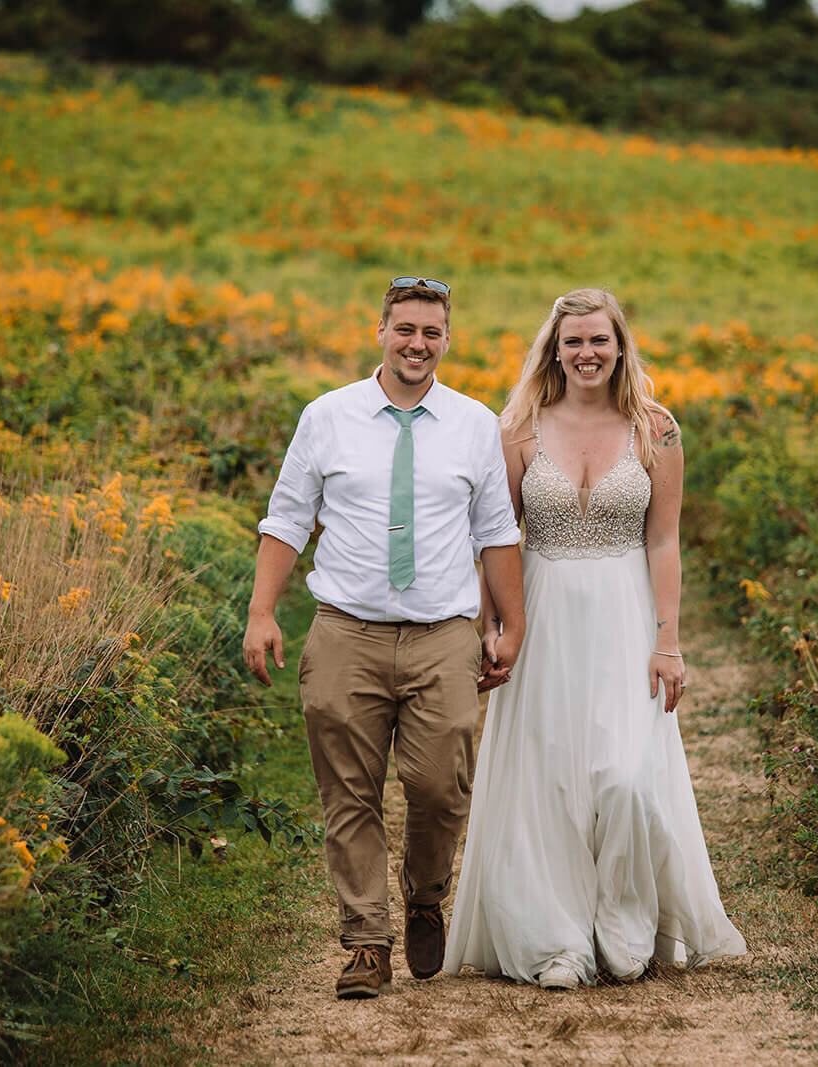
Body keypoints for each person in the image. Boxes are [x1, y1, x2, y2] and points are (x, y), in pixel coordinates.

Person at [442, 287, 746, 990]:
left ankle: (626, 920)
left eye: (598, 340)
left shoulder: (657, 429)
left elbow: (664, 540)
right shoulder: (517, 427)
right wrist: (491, 623)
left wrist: (667, 640)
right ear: (554, 348)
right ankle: (556, 939)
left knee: (629, 776)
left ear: (619, 346)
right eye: (572, 340)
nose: (586, 353)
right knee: (546, 778)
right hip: (542, 610)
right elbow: (494, 536)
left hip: (623, 612)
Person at [243, 276, 526, 1000]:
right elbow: (287, 517)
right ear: (380, 331)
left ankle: (426, 894)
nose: (417, 343)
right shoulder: (328, 416)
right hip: (345, 631)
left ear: (447, 340)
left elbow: (496, 531)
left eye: (432, 332)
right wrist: (261, 611)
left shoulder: (472, 424)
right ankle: (366, 939)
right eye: (405, 328)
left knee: (439, 784)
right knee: (350, 792)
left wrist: (508, 622)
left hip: (444, 635)